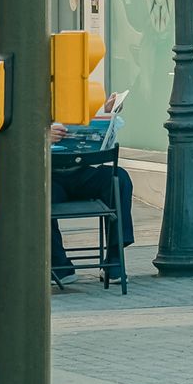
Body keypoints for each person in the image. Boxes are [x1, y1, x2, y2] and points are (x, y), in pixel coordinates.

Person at [49, 108, 136, 285]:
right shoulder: (25, 92)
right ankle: (58, 265)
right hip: (47, 174)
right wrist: (41, 134)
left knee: (119, 180)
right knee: (35, 196)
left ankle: (114, 261)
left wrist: (105, 113)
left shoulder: (78, 90)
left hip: (81, 170)